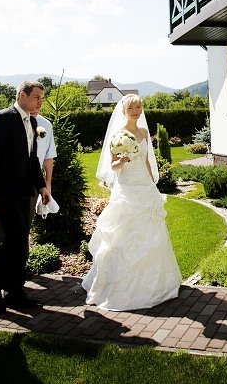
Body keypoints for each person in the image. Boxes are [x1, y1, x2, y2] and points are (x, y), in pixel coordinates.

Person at [82, 94, 180, 311]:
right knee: (122, 235)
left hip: (144, 186)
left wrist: (151, 181)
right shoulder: (118, 135)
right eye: (131, 107)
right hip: (127, 188)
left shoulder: (144, 132)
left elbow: (146, 159)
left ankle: (157, 284)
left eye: (138, 106)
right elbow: (114, 167)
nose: (135, 110)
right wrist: (123, 159)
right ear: (124, 110)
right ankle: (119, 286)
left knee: (153, 232)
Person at [0, 80, 50, 313]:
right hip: (4, 193)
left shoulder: (31, 121)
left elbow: (31, 161)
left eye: (42, 97)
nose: (40, 101)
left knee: (21, 241)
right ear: (22, 94)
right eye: (37, 97)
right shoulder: (2, 118)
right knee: (15, 237)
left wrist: (42, 187)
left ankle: (14, 291)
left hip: (25, 192)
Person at [0, 108, 56, 251]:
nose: (38, 104)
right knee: (3, 229)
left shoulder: (45, 124)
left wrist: (47, 185)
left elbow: (48, 157)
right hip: (9, 184)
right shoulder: (7, 120)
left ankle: (20, 265)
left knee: (24, 227)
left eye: (41, 99)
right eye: (35, 98)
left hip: (33, 183)